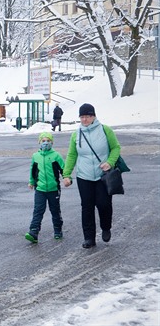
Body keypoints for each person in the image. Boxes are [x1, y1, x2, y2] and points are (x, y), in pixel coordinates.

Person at [63, 103, 121, 249]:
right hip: (84, 176)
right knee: (87, 207)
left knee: (104, 204)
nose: (84, 120)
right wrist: (67, 174)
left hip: (102, 175)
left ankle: (106, 227)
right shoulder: (76, 134)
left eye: (87, 116)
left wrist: (110, 162)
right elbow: (72, 155)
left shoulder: (105, 130)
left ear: (93, 116)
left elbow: (116, 148)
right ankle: (89, 238)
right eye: (82, 117)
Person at [25, 132, 65, 244]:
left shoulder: (56, 156)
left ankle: (58, 230)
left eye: (48, 141)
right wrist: (31, 182)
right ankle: (33, 232)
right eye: (43, 141)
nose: (46, 143)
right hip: (40, 189)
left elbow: (63, 169)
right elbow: (33, 170)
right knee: (38, 210)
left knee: (55, 210)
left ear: (52, 142)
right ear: (39, 142)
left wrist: (67, 177)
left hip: (53, 189)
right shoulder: (35, 156)